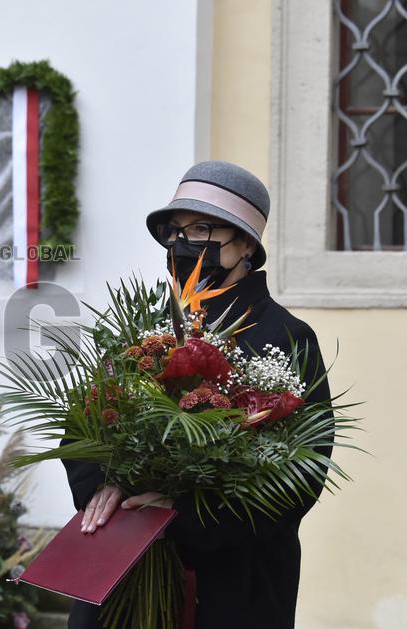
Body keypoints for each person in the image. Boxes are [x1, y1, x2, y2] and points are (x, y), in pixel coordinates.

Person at [63, 161, 333, 629]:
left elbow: (302, 472)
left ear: (246, 244)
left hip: (232, 586)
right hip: (125, 572)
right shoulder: (143, 326)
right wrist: (102, 487)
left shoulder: (288, 336)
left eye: (203, 229)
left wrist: (185, 517)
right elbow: (82, 422)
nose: (183, 245)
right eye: (174, 232)